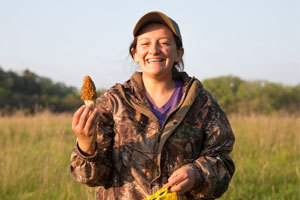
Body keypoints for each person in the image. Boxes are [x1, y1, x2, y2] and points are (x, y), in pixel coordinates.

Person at [70, 11, 235, 200]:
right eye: (145, 43)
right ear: (135, 54)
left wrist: (196, 174)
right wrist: (85, 145)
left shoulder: (202, 103)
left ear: (178, 53)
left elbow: (224, 164)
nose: (154, 50)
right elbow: (90, 178)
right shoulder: (113, 102)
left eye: (164, 43)